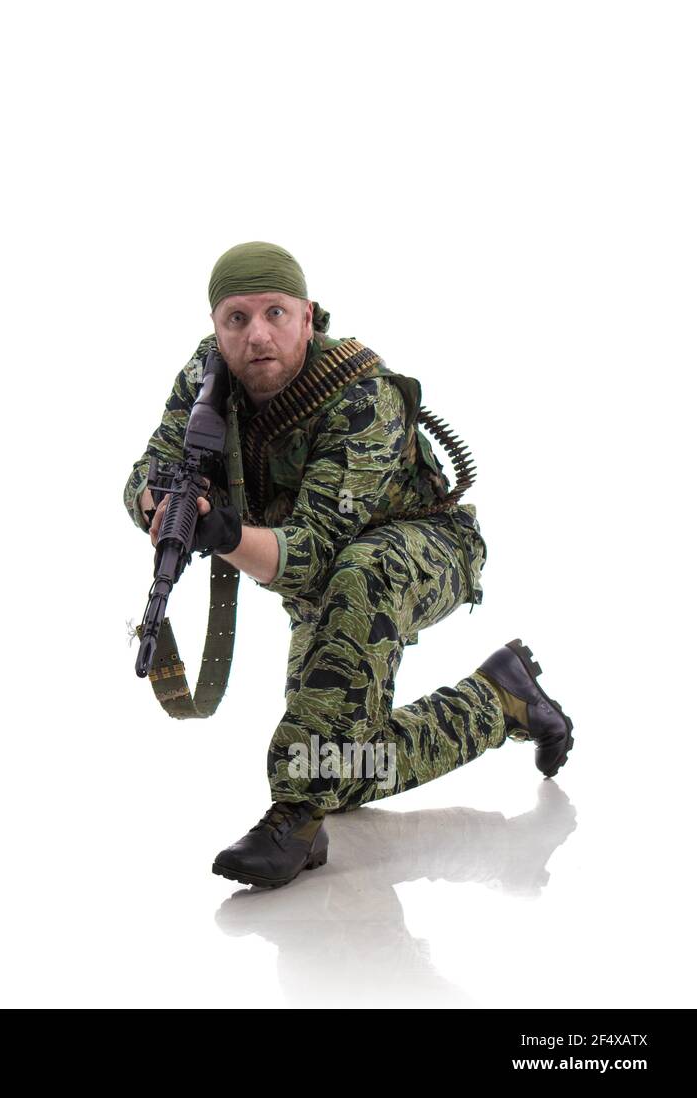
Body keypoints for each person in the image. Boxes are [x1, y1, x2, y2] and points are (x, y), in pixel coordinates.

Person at [123, 242, 574, 890]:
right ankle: (500, 702)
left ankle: (293, 816)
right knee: (336, 756)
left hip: (421, 547)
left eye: (274, 313)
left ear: (307, 318)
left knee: (361, 574)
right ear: (216, 328)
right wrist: (161, 502)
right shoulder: (206, 378)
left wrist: (222, 533)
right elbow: (144, 470)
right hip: (327, 586)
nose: (256, 335)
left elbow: (313, 552)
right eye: (236, 319)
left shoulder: (360, 396)